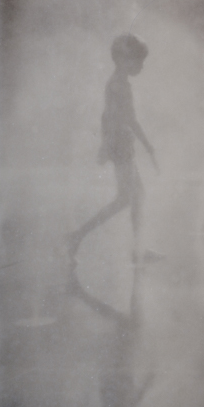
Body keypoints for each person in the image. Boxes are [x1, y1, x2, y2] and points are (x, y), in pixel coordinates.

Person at [67, 33, 158, 263]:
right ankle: (77, 236)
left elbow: (120, 117)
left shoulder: (120, 83)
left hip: (122, 144)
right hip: (120, 146)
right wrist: (108, 146)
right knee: (126, 199)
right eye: (136, 60)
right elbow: (116, 118)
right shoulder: (118, 85)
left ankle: (138, 249)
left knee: (136, 197)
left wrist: (143, 145)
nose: (140, 65)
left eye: (140, 60)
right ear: (120, 59)